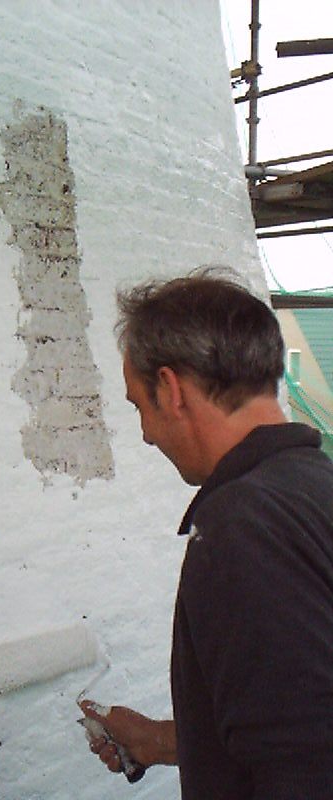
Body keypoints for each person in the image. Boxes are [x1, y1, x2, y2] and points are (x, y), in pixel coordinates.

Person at [80, 269, 333, 799]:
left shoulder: (241, 527)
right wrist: (155, 741)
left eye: (139, 406)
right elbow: (293, 713)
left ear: (171, 390)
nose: (146, 435)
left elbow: (306, 764)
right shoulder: (315, 484)